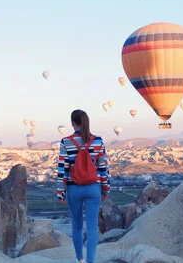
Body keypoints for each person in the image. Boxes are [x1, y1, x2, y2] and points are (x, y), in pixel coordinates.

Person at [57, 109, 110, 263]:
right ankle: (91, 261)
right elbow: (103, 168)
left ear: (72, 123)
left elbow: (63, 169)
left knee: (77, 226)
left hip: (74, 188)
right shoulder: (98, 141)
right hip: (93, 188)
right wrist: (105, 188)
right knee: (93, 227)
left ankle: (80, 260)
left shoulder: (65, 142)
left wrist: (60, 191)